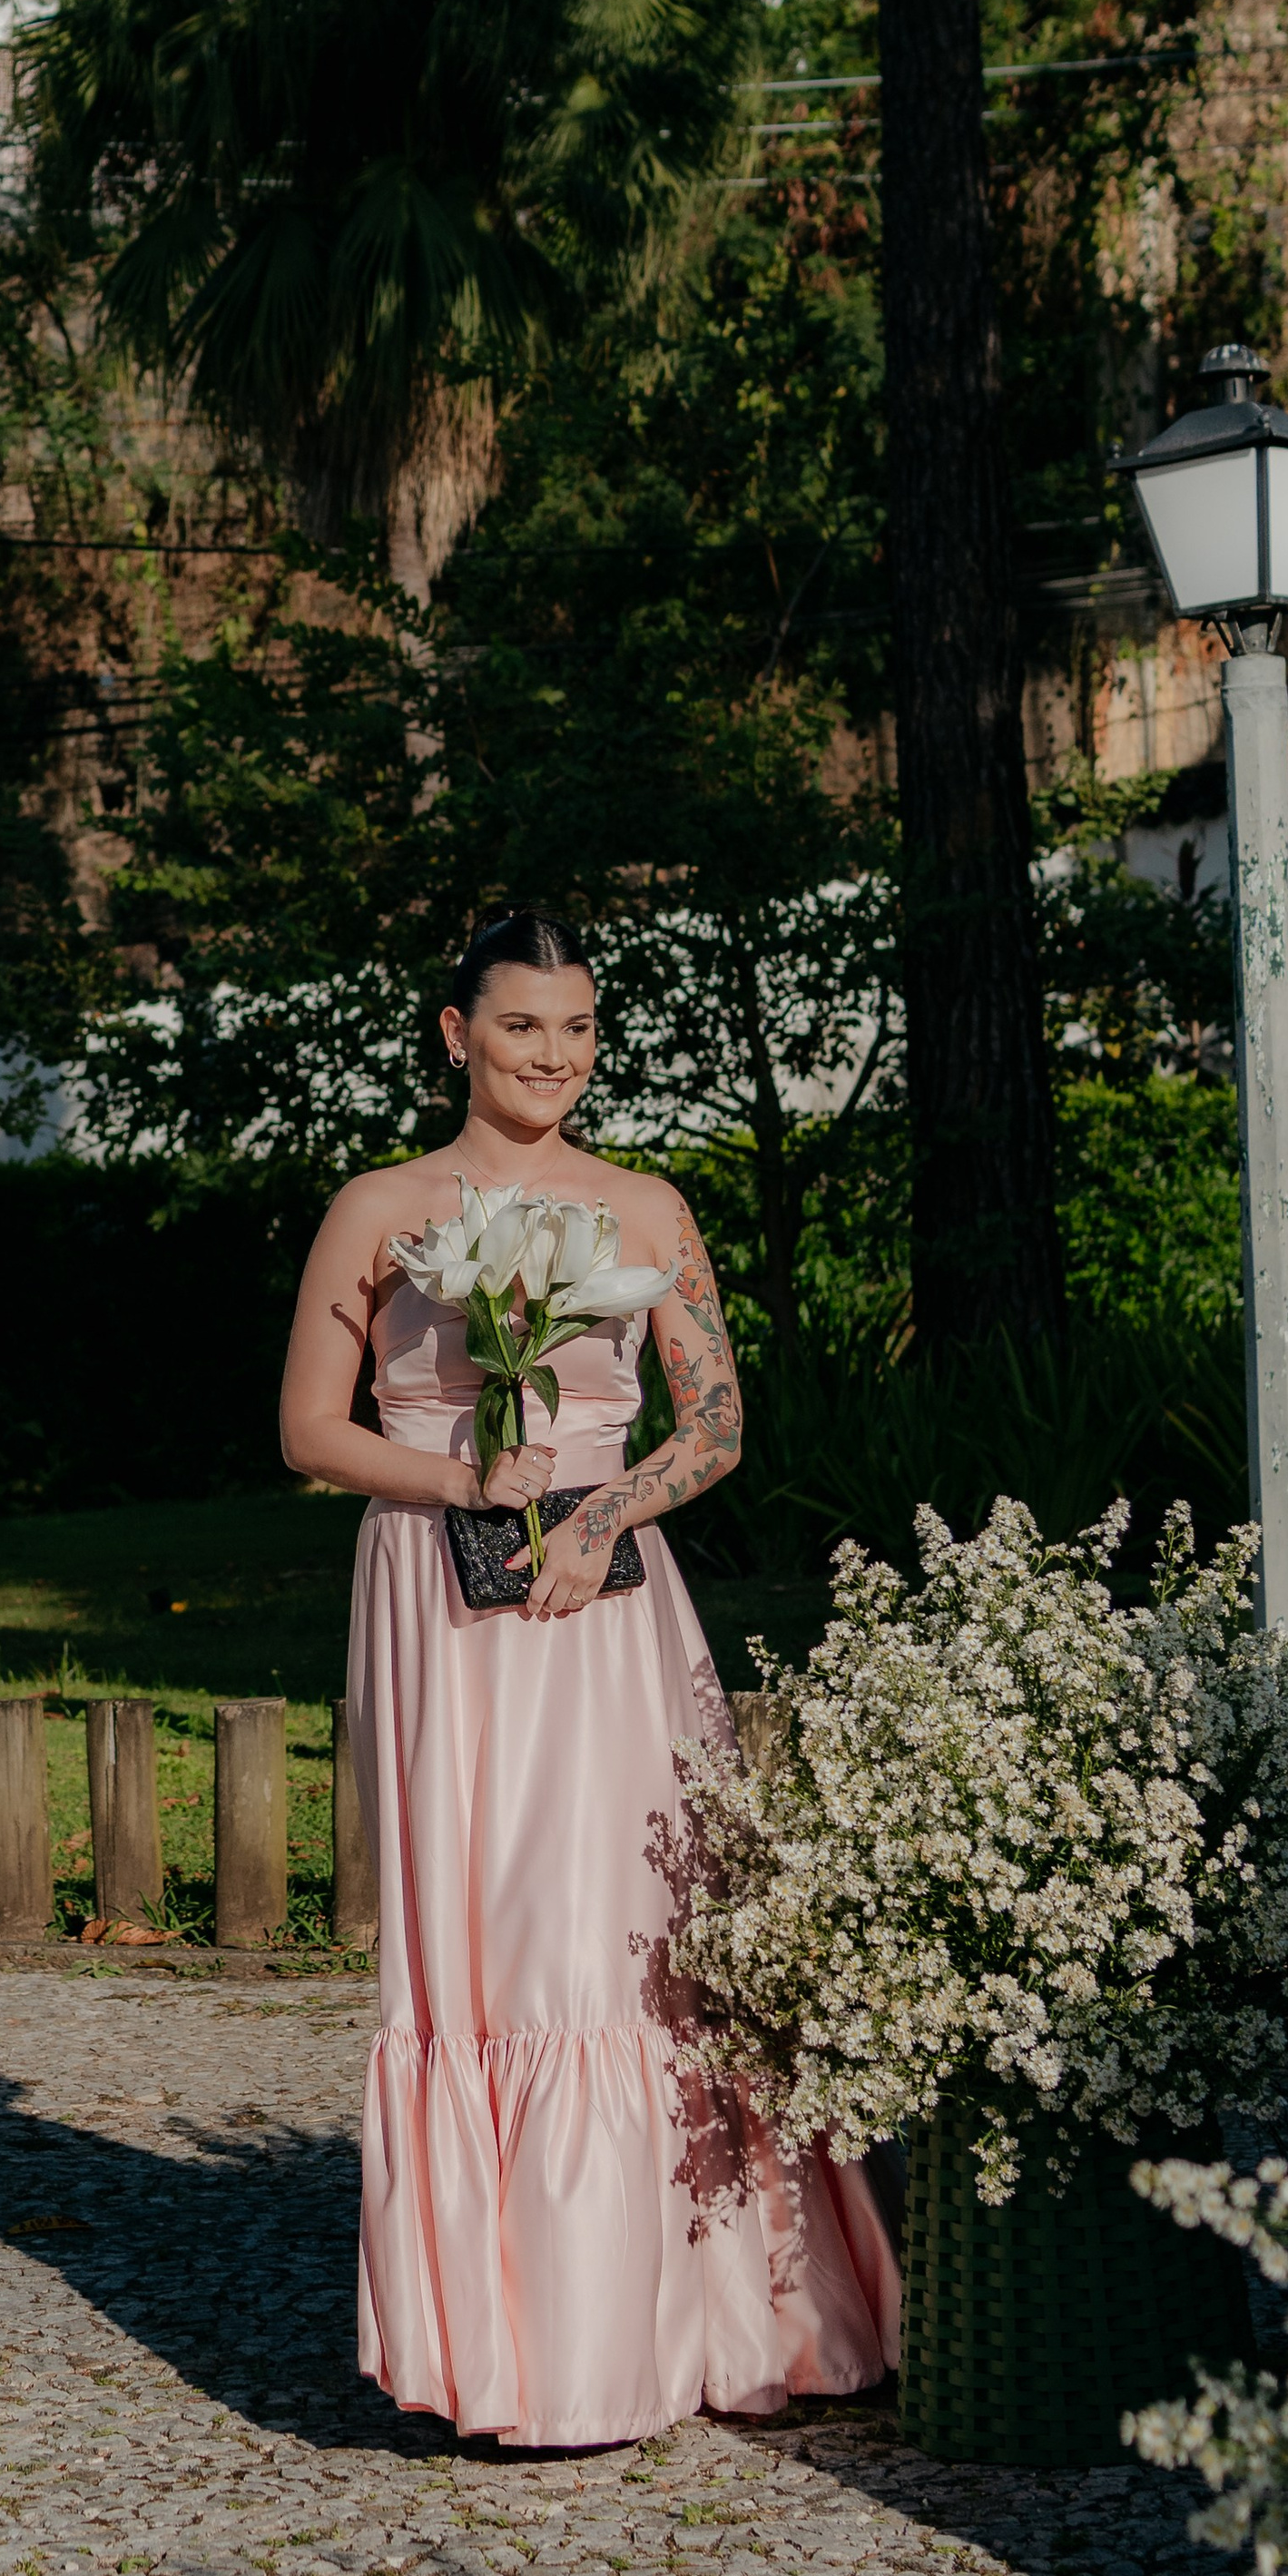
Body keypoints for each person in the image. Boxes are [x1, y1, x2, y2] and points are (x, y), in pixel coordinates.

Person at [279, 905, 898, 2448]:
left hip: (611, 1606)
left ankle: (705, 2318)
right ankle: (531, 2349)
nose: (551, 1057)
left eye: (575, 1029)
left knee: (636, 1927)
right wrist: (464, 1488)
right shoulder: (382, 1208)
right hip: (442, 1599)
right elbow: (309, 1431)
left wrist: (601, 1509)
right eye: (519, 1029)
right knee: (493, 1939)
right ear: (455, 1035)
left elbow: (718, 1423)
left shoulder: (645, 1207)